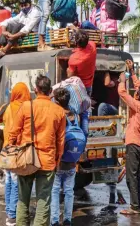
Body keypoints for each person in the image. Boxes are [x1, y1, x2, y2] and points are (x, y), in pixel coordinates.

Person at [8, 75, 66, 226]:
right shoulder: (59, 111)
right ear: (50, 90)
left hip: (26, 159)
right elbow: (60, 140)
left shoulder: (26, 107)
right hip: (48, 161)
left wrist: (10, 151)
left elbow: (13, 132)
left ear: (36, 90)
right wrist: (57, 160)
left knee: (23, 199)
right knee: (43, 202)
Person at [0, 82, 31, 226]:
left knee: (8, 181)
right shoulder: (28, 108)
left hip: (6, 150)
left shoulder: (7, 107)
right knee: (15, 182)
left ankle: (9, 213)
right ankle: (12, 215)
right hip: (19, 152)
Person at [118, 61, 140, 215]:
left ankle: (135, 207)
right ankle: (138, 206)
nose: (135, 92)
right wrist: (131, 71)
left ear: (138, 97)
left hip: (133, 144)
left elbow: (122, 93)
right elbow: (139, 87)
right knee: (135, 176)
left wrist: (122, 80)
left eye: (137, 93)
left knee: (131, 177)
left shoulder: (137, 106)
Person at [51, 88, 86, 226]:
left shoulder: (58, 115)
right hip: (72, 161)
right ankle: (67, 220)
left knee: (54, 191)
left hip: (59, 161)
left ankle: (54, 221)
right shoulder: (75, 114)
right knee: (69, 192)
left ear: (57, 101)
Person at [67, 29, 97, 95]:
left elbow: (70, 75)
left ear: (75, 42)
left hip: (78, 87)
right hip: (89, 86)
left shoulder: (73, 58)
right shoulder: (93, 46)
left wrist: (68, 70)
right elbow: (89, 42)